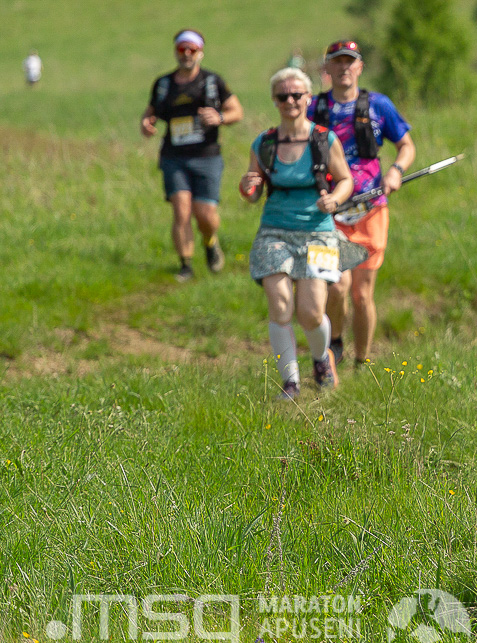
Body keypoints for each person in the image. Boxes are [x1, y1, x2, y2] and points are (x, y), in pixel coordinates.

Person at [240, 67, 368, 400]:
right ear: (274, 100)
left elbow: (345, 180)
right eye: (283, 96)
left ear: (308, 98)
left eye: (297, 95)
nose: (290, 101)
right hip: (275, 232)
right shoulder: (264, 143)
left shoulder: (324, 139)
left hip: (318, 232)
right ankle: (291, 383)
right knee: (281, 305)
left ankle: (321, 358)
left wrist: (335, 199)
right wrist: (247, 186)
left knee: (311, 313)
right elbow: (254, 192)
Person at [310, 40, 415, 368]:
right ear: (327, 68)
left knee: (362, 294)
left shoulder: (379, 105)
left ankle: (362, 361)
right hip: (328, 213)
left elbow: (406, 145)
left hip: (370, 211)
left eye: (349, 61)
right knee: (336, 286)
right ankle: (334, 345)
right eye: (337, 62)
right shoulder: (312, 108)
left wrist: (396, 171)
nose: (344, 68)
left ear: (360, 67)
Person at [140, 30, 244, 282]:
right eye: (181, 49)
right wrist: (146, 124)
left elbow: (236, 111)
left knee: (205, 214)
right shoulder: (164, 84)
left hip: (207, 156)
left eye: (192, 50)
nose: (186, 54)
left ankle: (210, 241)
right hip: (174, 156)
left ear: (200, 53)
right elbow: (150, 111)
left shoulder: (213, 82)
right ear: (175, 52)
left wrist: (219, 118)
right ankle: (185, 264)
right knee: (181, 210)